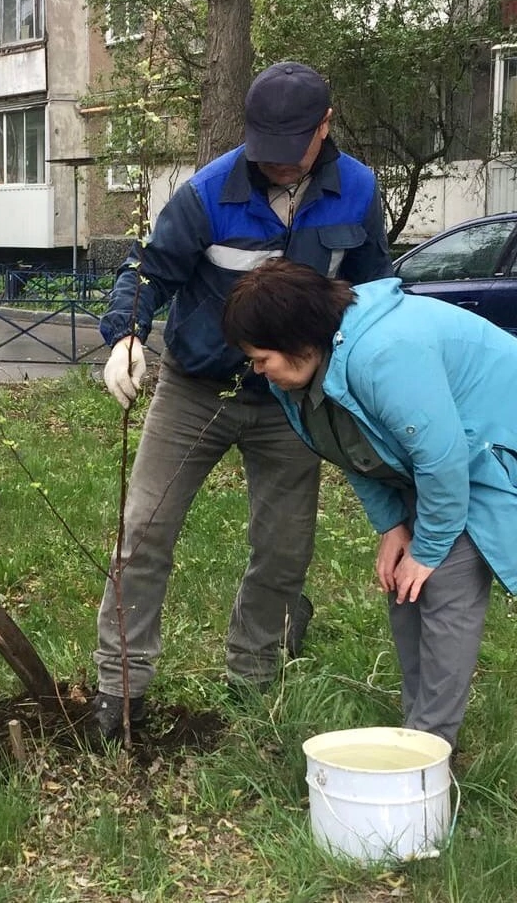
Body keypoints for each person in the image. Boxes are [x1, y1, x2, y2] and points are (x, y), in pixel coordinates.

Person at [93, 62, 393, 738]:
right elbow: (150, 267)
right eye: (267, 152)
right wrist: (126, 334)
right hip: (196, 390)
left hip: (293, 402)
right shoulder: (207, 192)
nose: (280, 168)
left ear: (325, 126)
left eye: (294, 153)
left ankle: (254, 676)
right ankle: (120, 686)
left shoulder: (359, 193)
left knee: (284, 550)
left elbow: (373, 288)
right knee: (142, 533)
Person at [221, 257, 517, 749]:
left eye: (261, 356)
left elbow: (443, 459)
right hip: (440, 462)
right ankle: (417, 735)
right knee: (406, 594)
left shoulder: (383, 354)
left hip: (489, 451)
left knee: (443, 587)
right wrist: (392, 527)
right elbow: (347, 447)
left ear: (299, 340)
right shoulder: (300, 376)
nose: (256, 370)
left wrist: (428, 548)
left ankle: (429, 756)